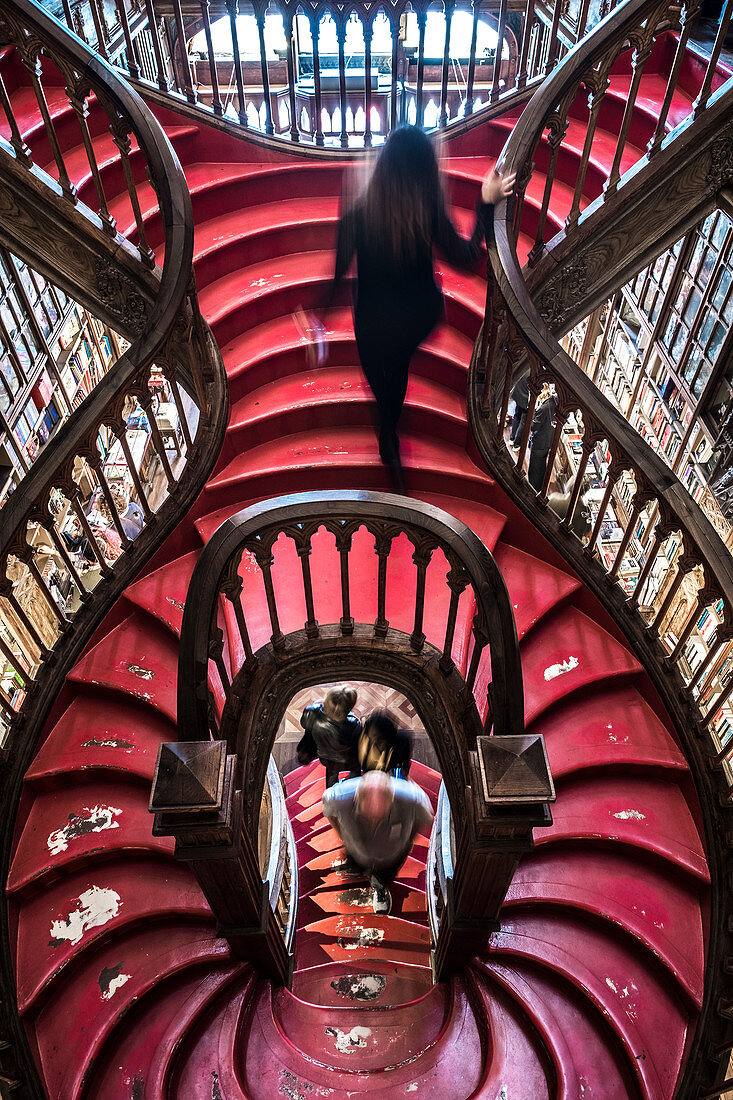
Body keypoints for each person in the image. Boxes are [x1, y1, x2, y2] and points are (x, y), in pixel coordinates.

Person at [312, 126, 516, 492]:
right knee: (398, 371)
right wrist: (484, 203)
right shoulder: (428, 209)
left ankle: (388, 439)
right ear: (423, 169)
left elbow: (340, 271)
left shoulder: (358, 212)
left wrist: (318, 318)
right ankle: (389, 432)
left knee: (383, 387)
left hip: (373, 323)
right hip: (415, 318)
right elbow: (467, 257)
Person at [322, 769, 433, 914]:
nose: (374, 820)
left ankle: (380, 888)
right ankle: (363, 871)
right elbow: (329, 813)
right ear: (357, 797)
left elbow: (425, 818)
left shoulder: (412, 798)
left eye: (380, 815)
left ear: (392, 798)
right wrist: (341, 834)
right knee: (358, 866)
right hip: (357, 849)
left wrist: (408, 840)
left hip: (392, 854)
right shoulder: (338, 797)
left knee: (385, 876)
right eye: (368, 814)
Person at [298, 687, 361, 788]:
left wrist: (316, 704)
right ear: (349, 707)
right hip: (347, 759)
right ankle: (354, 785)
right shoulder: (354, 724)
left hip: (326, 757)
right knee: (355, 769)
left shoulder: (312, 714)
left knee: (332, 774)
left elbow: (304, 724)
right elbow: (357, 744)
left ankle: (331, 793)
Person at [358, 709, 412, 777]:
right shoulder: (362, 743)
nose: (374, 741)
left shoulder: (401, 743)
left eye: (380, 740)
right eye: (372, 737)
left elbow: (405, 766)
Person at [528, 387, 558, 493]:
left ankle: (533, 490)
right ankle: (539, 488)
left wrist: (532, 414)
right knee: (541, 467)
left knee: (535, 468)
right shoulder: (554, 404)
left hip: (540, 442)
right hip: (548, 441)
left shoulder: (544, 408)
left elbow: (533, 426)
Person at [509, 372, 530, 447]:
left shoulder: (524, 370)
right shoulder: (533, 374)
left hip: (518, 398)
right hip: (526, 402)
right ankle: (517, 444)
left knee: (517, 418)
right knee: (523, 423)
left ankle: (512, 438)